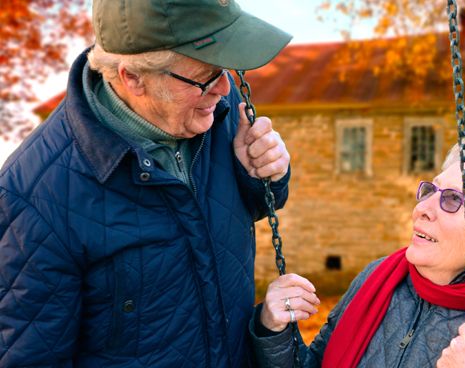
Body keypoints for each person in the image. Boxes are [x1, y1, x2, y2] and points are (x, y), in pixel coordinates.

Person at [0, 0, 292, 366]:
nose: (223, 87)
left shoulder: (213, 108)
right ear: (132, 78)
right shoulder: (33, 201)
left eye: (227, 69)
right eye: (205, 76)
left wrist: (265, 176)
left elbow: (245, 208)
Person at [251, 134, 465, 367]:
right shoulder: (377, 281)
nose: (424, 207)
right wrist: (275, 331)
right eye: (431, 190)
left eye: (454, 199)